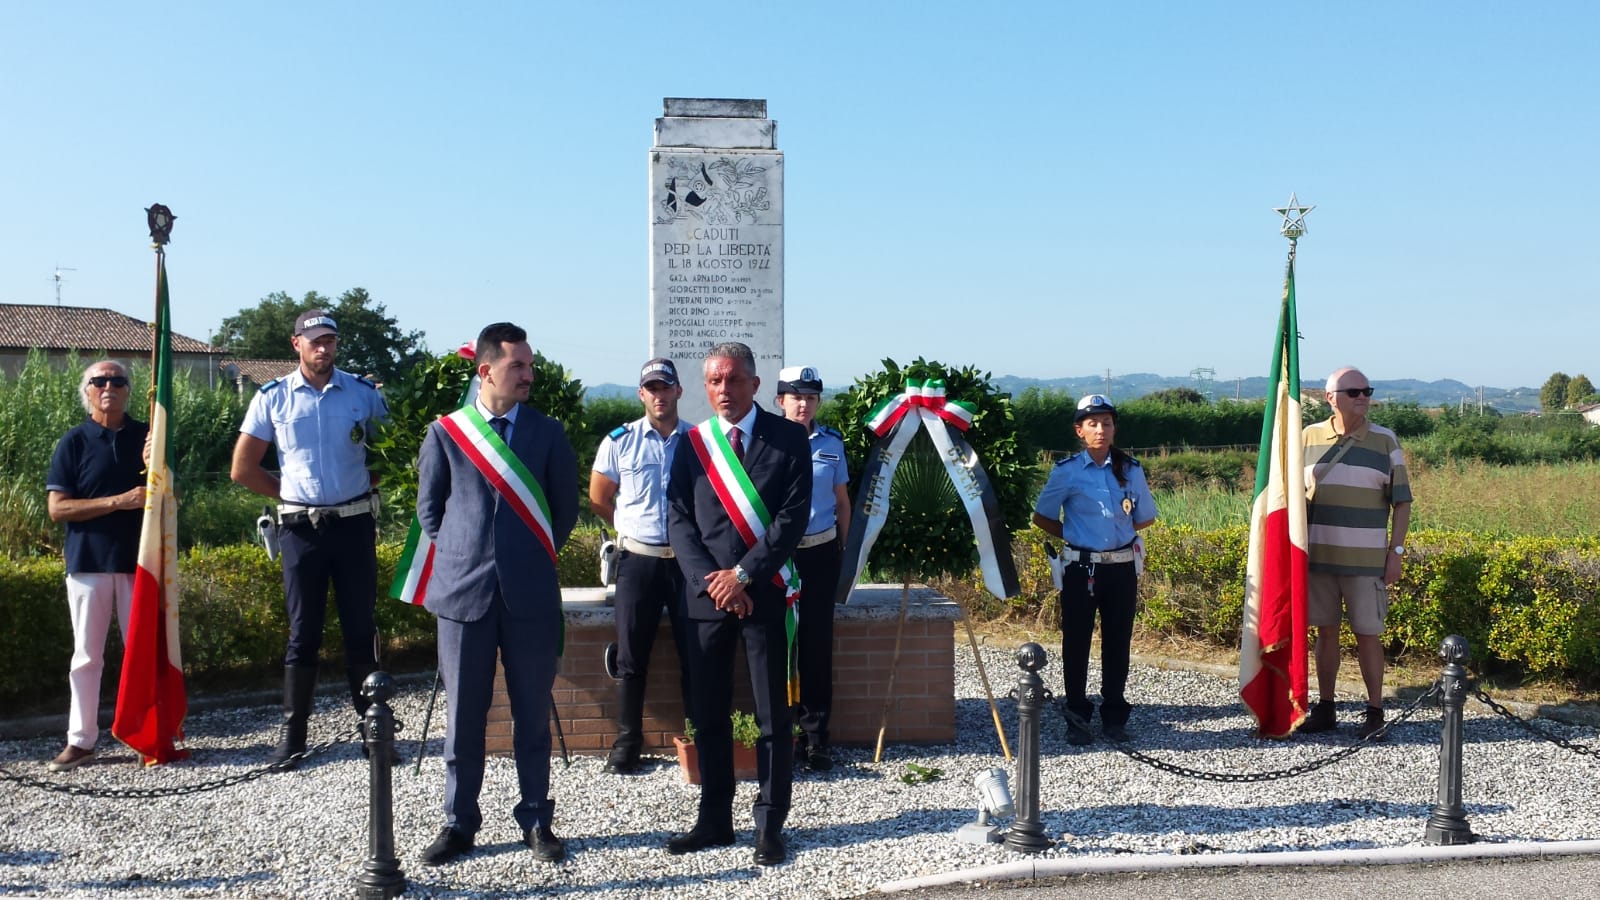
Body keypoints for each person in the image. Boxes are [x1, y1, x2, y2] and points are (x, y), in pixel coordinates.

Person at [414, 322, 579, 866]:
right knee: (464, 717)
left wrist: (528, 557)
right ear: (486, 371)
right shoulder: (446, 434)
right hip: (463, 597)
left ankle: (536, 819)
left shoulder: (547, 433)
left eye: (530, 366)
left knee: (532, 713)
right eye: (518, 367)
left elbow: (563, 509)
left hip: (530, 597)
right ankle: (460, 823)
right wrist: (467, 554)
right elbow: (430, 512)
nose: (529, 375)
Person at [665, 342, 811, 866]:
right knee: (708, 713)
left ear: (753, 382)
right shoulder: (692, 444)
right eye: (713, 381)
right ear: (705, 387)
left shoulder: (790, 438)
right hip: (707, 601)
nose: (723, 390)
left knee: (773, 714)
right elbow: (677, 518)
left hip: (764, 594)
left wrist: (745, 574)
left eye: (732, 380)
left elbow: (791, 518)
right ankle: (714, 819)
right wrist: (714, 581)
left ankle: (771, 821)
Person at [231, 309, 390, 766]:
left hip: (354, 523)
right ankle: (293, 735)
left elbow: (389, 455)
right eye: (315, 341)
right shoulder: (273, 398)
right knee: (303, 634)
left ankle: (374, 729)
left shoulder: (363, 395)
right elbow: (242, 468)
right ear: (295, 344)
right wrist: (291, 492)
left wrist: (359, 484)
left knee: (361, 629)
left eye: (330, 341)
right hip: (301, 530)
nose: (324, 349)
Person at [1030, 394, 1157, 746]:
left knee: (1118, 643)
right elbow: (1041, 517)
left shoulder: (1131, 470)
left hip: (1121, 568)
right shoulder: (1067, 472)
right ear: (1080, 430)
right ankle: (1077, 716)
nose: (1101, 430)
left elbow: (1143, 517)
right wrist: (1074, 535)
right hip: (1080, 569)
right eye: (1093, 424)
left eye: (1107, 423)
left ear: (1115, 428)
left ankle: (1115, 716)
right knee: (1077, 643)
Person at [43, 360, 149, 772]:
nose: (109, 387)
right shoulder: (73, 442)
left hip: (141, 562)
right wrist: (117, 501)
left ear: (128, 389)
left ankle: (145, 734)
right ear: (87, 390)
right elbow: (58, 509)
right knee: (87, 656)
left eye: (117, 380)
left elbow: (172, 496)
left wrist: (159, 465)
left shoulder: (148, 437)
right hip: (88, 563)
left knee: (142, 652)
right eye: (99, 381)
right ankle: (82, 740)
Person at [589, 357, 693, 775]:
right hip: (639, 561)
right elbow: (599, 496)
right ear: (641, 394)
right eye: (651, 388)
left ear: (678, 392)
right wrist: (628, 527)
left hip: (687, 564)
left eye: (665, 387)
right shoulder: (620, 441)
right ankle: (628, 740)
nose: (659, 395)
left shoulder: (698, 441)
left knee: (697, 652)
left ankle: (701, 734)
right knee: (631, 655)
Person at [1300, 367, 1412, 740]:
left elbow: (1402, 502)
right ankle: (1327, 707)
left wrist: (1395, 552)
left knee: (1368, 635)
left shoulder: (1385, 441)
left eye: (1367, 391)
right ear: (1330, 397)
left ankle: (1375, 710)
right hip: (1319, 559)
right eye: (1354, 392)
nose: (1363, 397)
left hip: (1367, 563)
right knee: (1325, 634)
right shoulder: (1307, 438)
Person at [773, 365, 850, 772]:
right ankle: (780, 733)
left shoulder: (832, 445)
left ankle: (816, 737)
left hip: (819, 555)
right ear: (780, 400)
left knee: (816, 647)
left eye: (811, 397)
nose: (804, 404)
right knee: (777, 645)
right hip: (779, 557)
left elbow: (841, 502)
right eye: (796, 396)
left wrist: (843, 550)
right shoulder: (765, 441)